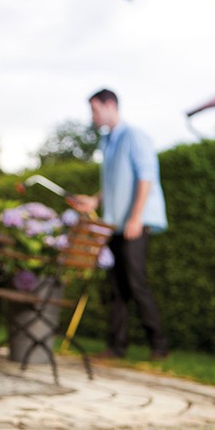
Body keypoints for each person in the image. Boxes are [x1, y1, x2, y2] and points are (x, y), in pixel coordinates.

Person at [67, 88, 169, 361]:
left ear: (110, 105)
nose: (92, 115)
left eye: (95, 109)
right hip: (115, 224)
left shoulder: (134, 136)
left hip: (135, 223)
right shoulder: (108, 141)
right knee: (116, 288)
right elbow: (114, 184)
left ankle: (159, 345)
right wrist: (94, 200)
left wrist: (136, 217)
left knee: (136, 284)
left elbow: (146, 178)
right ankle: (116, 347)